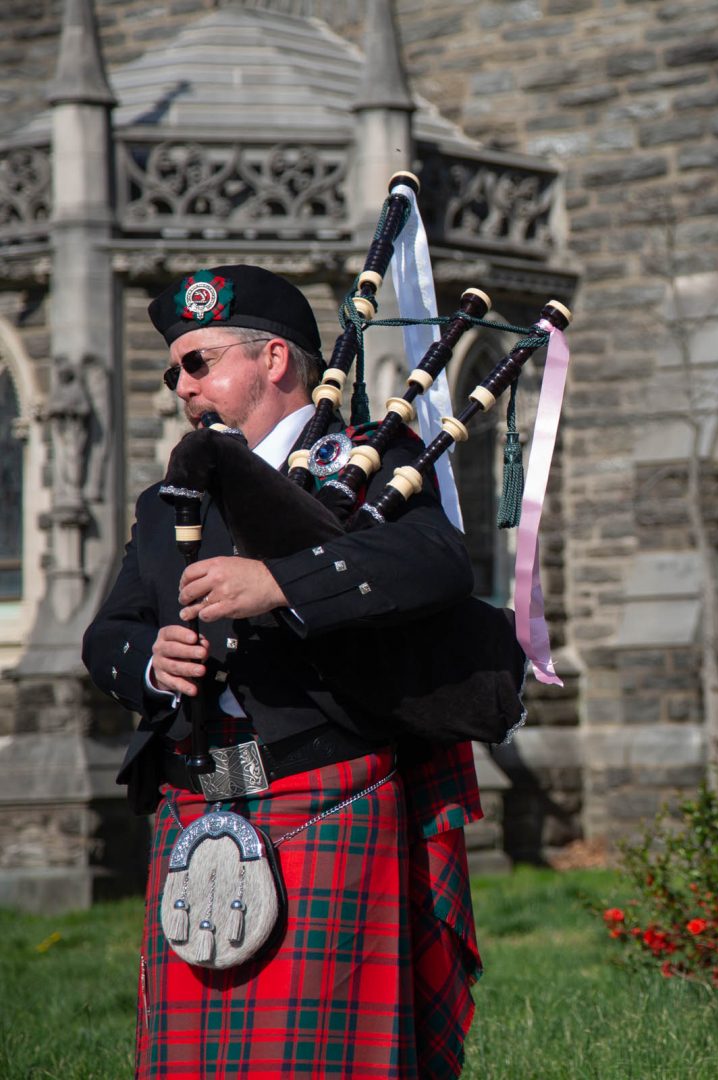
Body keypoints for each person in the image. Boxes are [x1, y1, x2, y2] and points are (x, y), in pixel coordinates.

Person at [82, 265, 483, 1079]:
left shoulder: (370, 459)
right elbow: (109, 631)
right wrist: (152, 661)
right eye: (173, 371)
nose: (182, 386)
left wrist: (277, 584)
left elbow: (436, 566)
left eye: (199, 363)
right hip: (194, 801)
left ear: (273, 360)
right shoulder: (169, 498)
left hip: (325, 793)